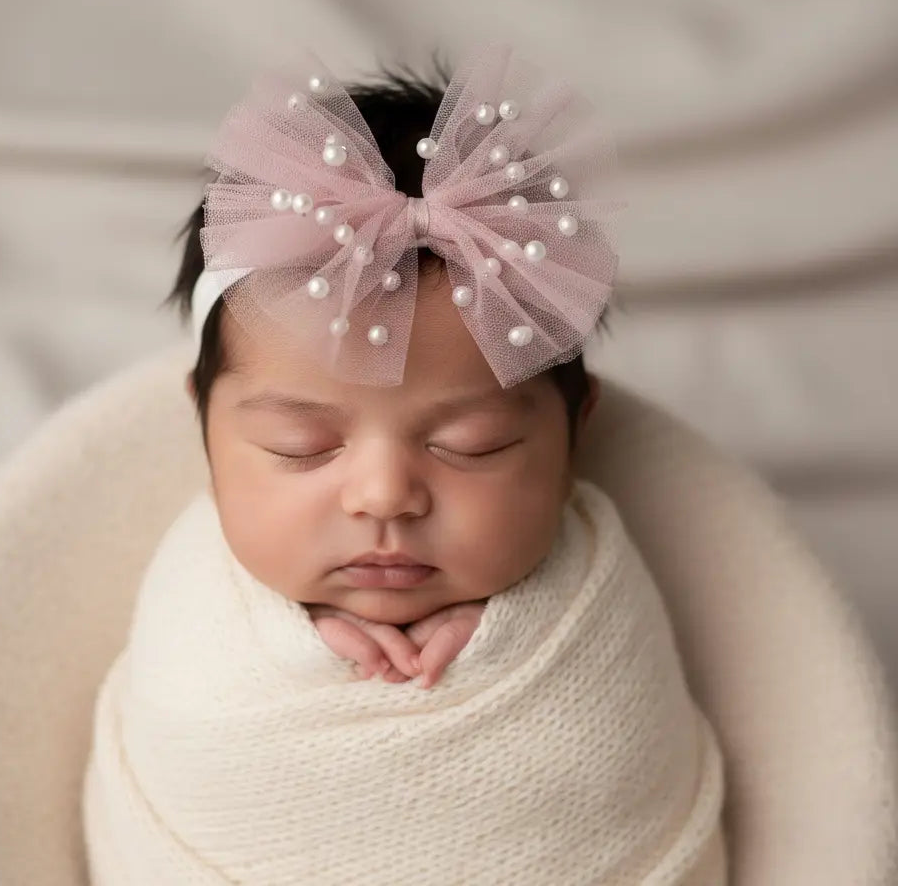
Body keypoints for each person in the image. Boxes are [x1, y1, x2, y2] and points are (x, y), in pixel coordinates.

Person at [82, 43, 727, 885]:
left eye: (473, 445)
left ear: (577, 436)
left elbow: (612, 748)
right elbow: (189, 719)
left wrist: (504, 643)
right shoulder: (199, 594)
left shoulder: (599, 581)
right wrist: (298, 647)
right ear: (204, 432)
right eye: (299, 448)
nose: (384, 495)